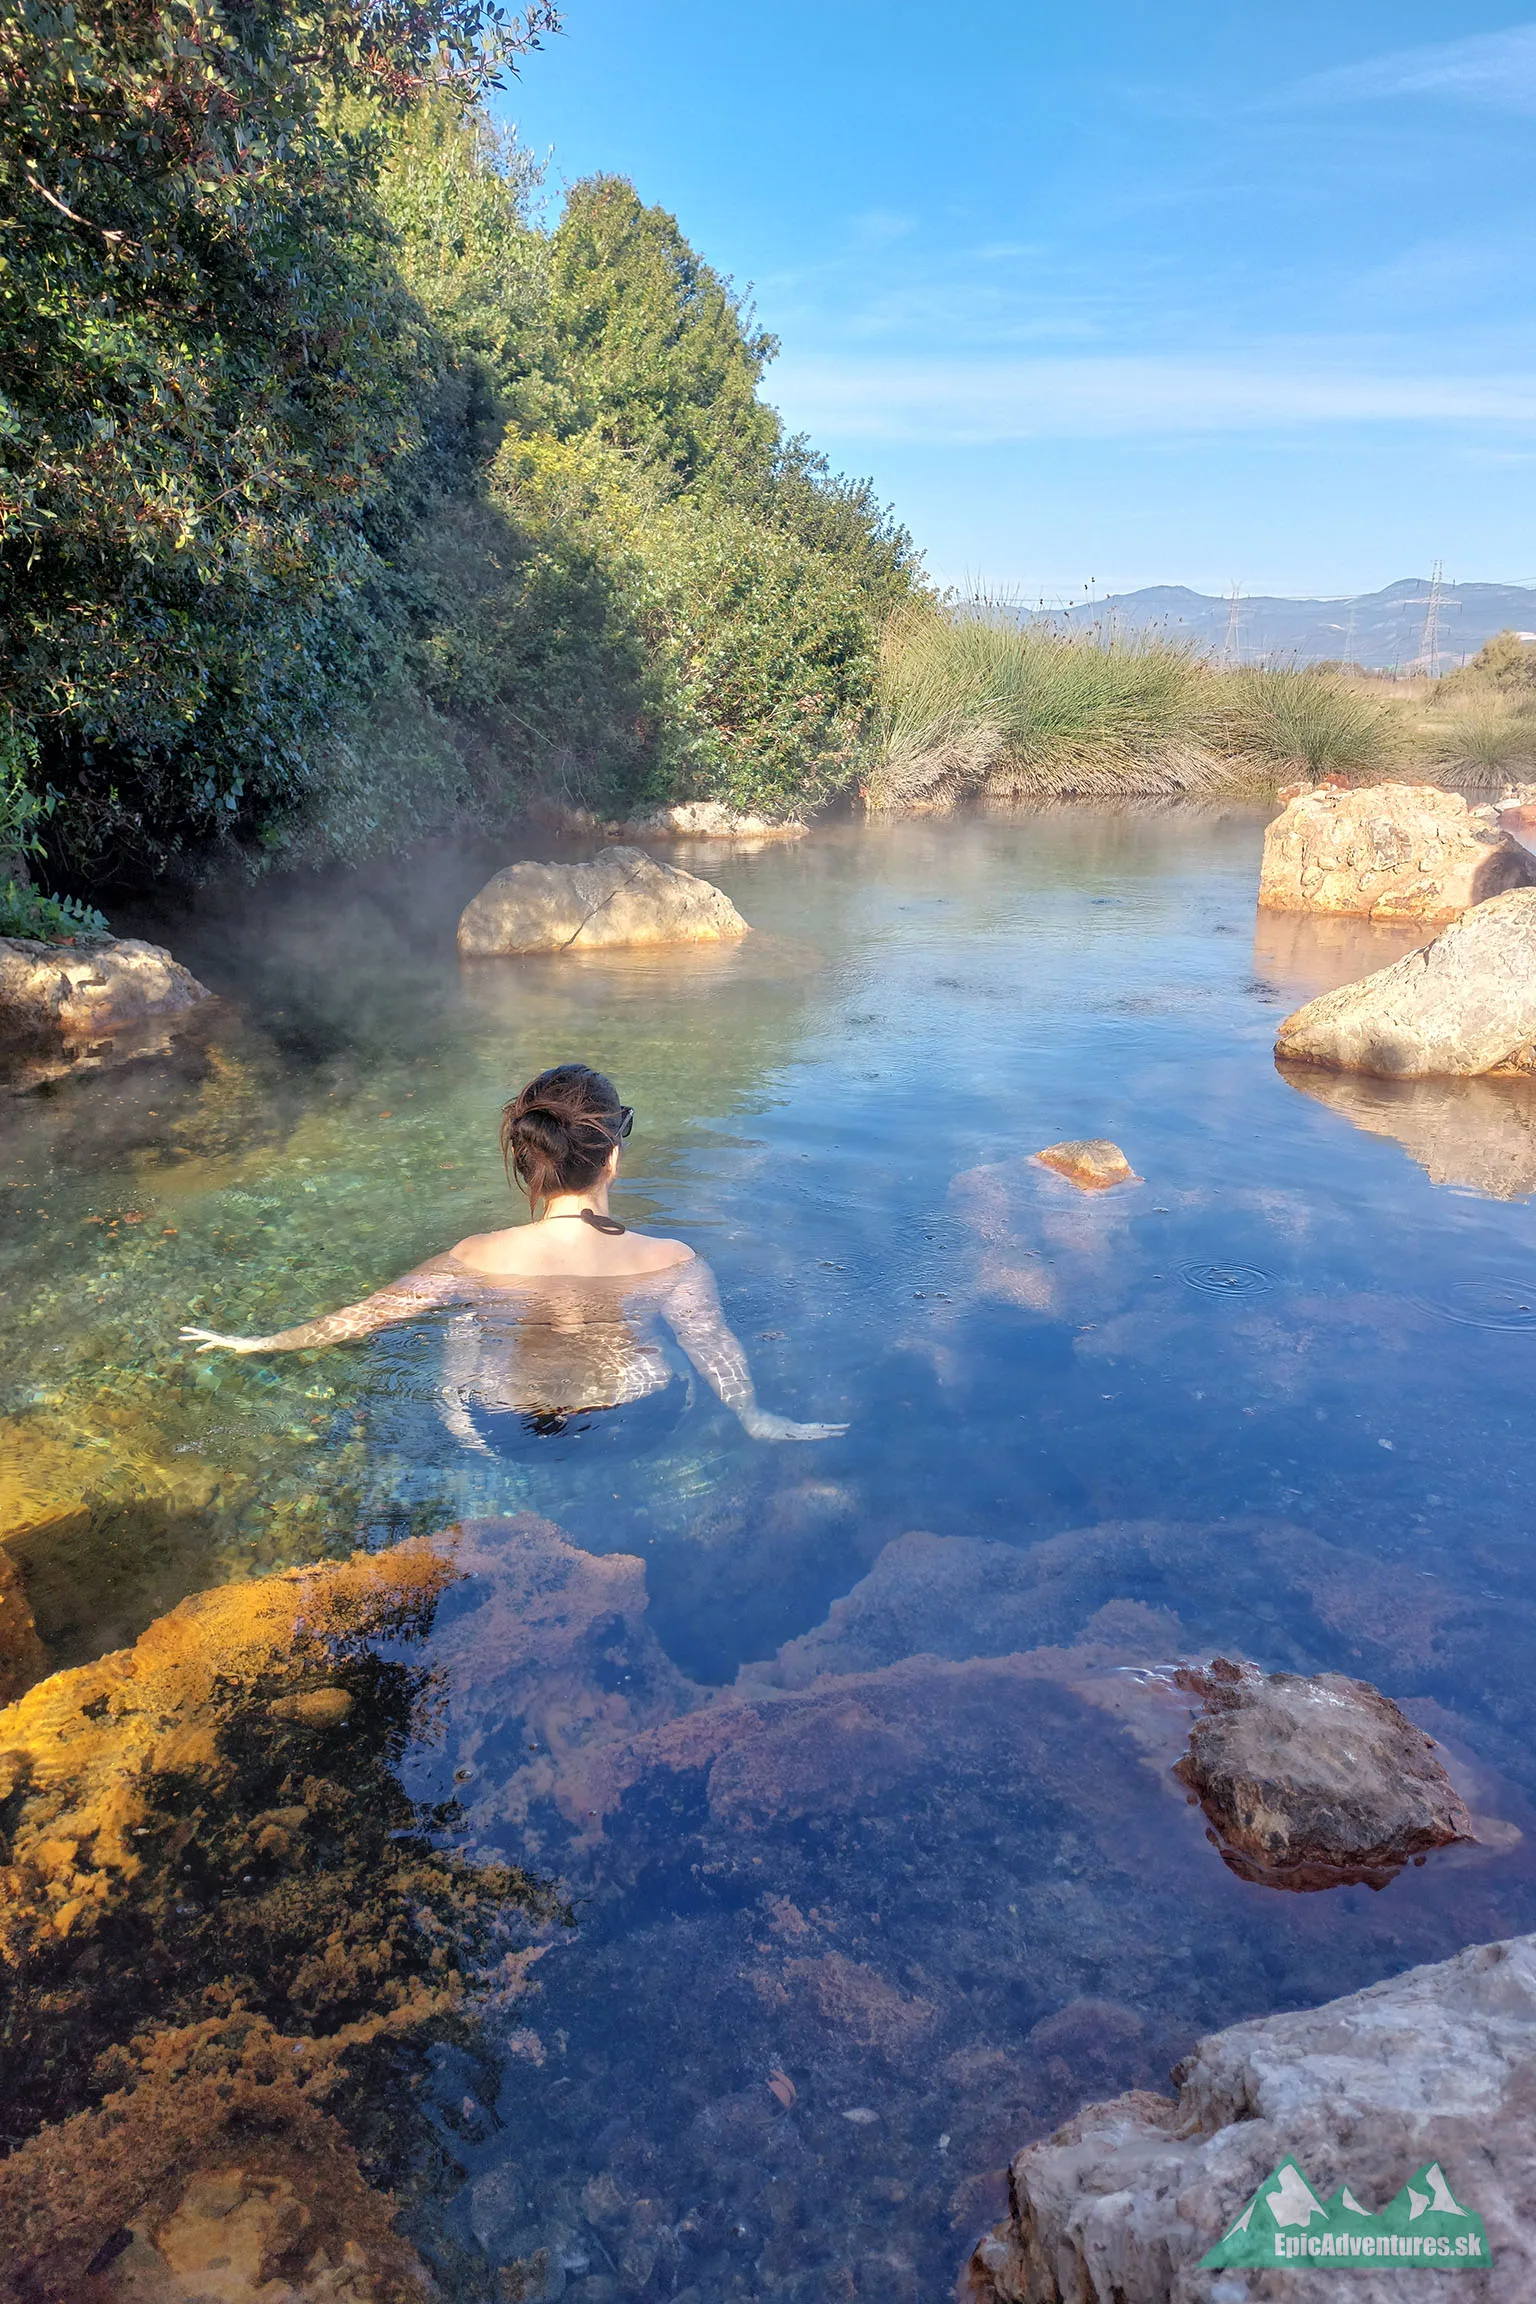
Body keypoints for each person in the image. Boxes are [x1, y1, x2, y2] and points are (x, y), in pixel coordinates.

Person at [181, 1062, 846, 1444]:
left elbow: (367, 1316)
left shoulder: (478, 1256)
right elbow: (713, 1347)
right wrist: (756, 1419)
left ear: (528, 1162)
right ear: (612, 1157)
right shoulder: (670, 1260)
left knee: (465, 1318)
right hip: (633, 1404)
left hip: (500, 1412)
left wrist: (258, 1343)